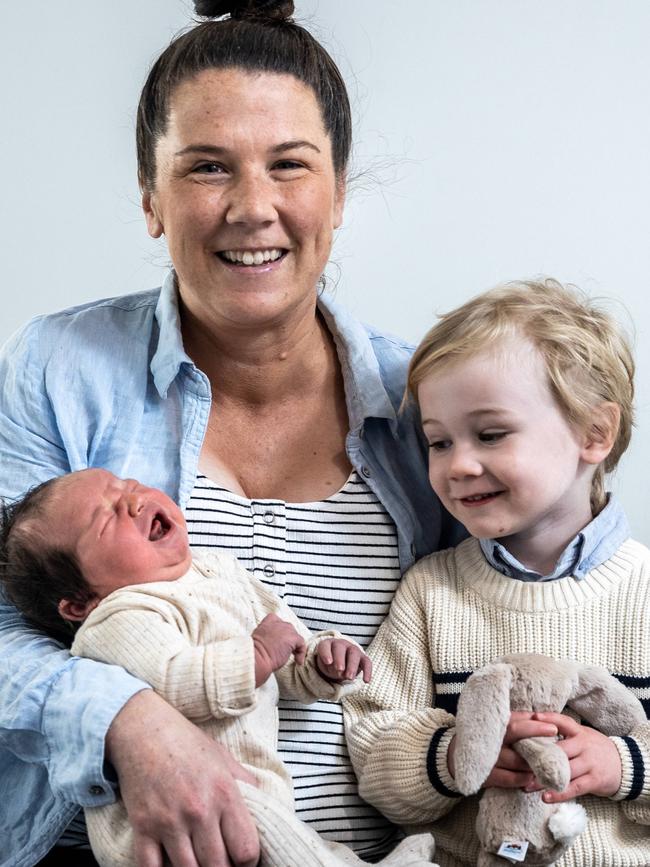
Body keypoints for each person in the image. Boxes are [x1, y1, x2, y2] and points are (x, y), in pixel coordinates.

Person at [0, 2, 465, 866]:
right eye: (207, 167)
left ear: (339, 191)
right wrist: (128, 723)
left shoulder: (427, 399)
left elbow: (517, 590)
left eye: (290, 165)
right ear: (150, 197)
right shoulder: (59, 368)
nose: (254, 208)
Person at [344, 279, 650, 866]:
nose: (458, 464)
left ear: (594, 433)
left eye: (490, 434)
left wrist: (623, 766)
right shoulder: (432, 593)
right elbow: (371, 742)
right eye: (438, 442)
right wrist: (454, 756)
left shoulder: (643, 591)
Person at [0, 467, 438, 867]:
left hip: (246, 785)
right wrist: (258, 655)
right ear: (80, 602)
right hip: (178, 822)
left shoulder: (219, 572)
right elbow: (174, 681)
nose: (134, 500)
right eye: (108, 517)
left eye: (129, 486)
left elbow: (285, 639)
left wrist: (321, 660)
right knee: (275, 834)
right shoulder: (118, 617)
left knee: (284, 831)